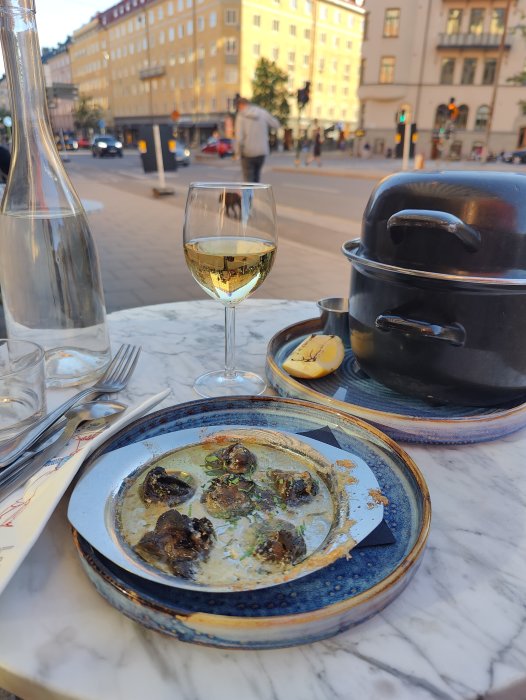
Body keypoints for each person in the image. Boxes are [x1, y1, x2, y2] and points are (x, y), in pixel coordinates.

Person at [234, 97, 280, 182]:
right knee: (256, 177)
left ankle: (249, 195)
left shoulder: (241, 116)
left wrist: (237, 153)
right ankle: (256, 194)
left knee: (248, 180)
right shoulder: (262, 112)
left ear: (240, 105)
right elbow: (276, 124)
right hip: (262, 151)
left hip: (247, 153)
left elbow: (239, 138)